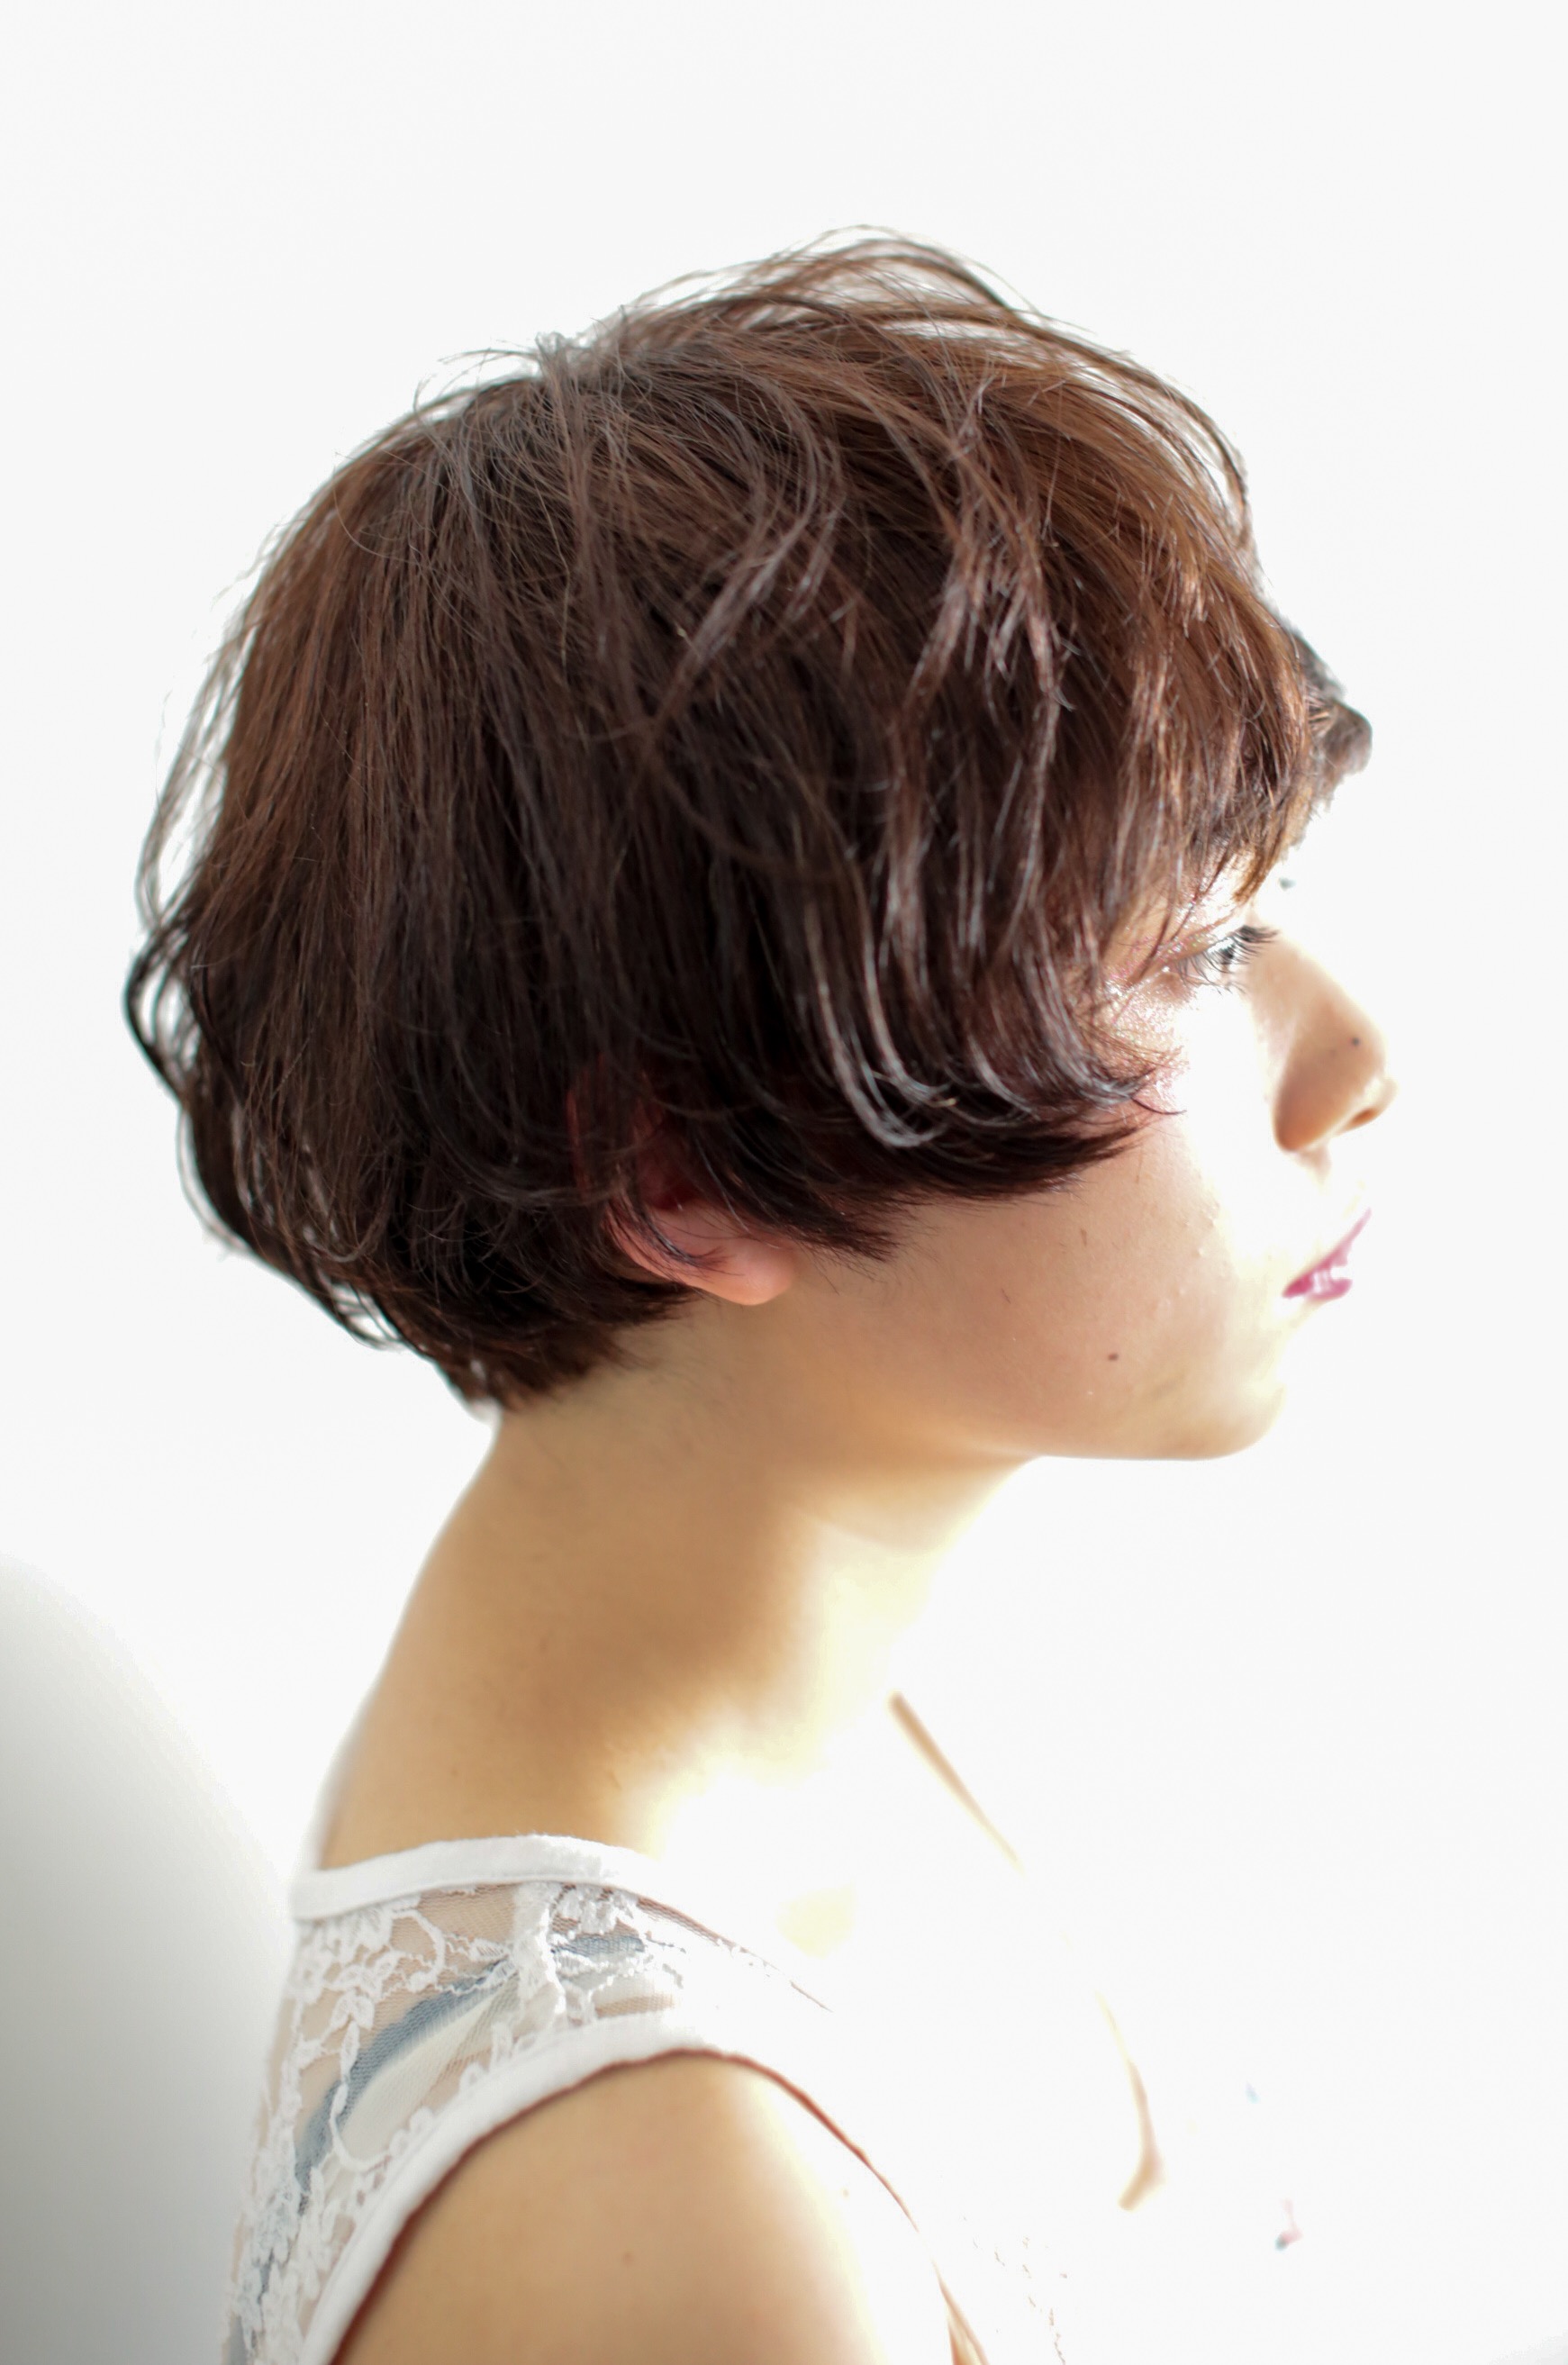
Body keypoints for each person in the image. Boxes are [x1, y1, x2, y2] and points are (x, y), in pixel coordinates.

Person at [126, 234, 1396, 2365]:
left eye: (1268, 911)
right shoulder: (689, 2221)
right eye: (1195, 952)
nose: (1358, 1059)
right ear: (685, 1176)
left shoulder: (819, 1687)